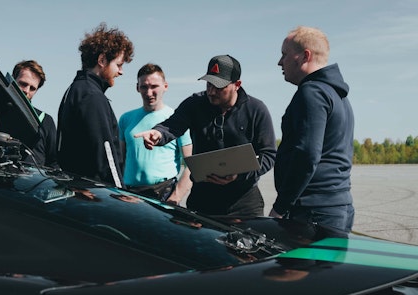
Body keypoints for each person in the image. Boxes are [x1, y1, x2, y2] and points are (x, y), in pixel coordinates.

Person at [135, 55, 276, 217]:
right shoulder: (194, 104)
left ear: (237, 85)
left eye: (219, 86)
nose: (212, 91)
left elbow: (269, 155)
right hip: (202, 201)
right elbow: (171, 126)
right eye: (209, 84)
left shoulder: (256, 110)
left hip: (244, 204)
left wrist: (239, 175)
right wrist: (158, 134)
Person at [269, 26, 355, 233]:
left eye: (284, 54)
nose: (280, 62)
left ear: (304, 56)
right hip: (336, 206)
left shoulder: (312, 93)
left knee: (299, 267)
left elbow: (306, 154)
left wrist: (280, 207)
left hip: (313, 211)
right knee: (328, 267)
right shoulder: (337, 94)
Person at [56, 23, 134, 187]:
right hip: (94, 195)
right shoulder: (92, 96)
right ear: (102, 60)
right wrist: (120, 193)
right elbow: (106, 155)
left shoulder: (74, 89)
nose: (121, 72)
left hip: (74, 188)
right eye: (118, 65)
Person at [119, 63, 193, 204]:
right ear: (137, 88)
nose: (149, 93)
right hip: (129, 194)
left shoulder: (177, 120)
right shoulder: (125, 119)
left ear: (165, 86)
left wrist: (176, 196)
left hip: (163, 193)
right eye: (144, 87)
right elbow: (118, 160)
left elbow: (192, 165)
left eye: (154, 86)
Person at [12, 60, 58, 168]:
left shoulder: (46, 121)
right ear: (13, 80)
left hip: (31, 183)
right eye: (23, 84)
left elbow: (54, 162)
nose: (26, 91)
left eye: (32, 88)